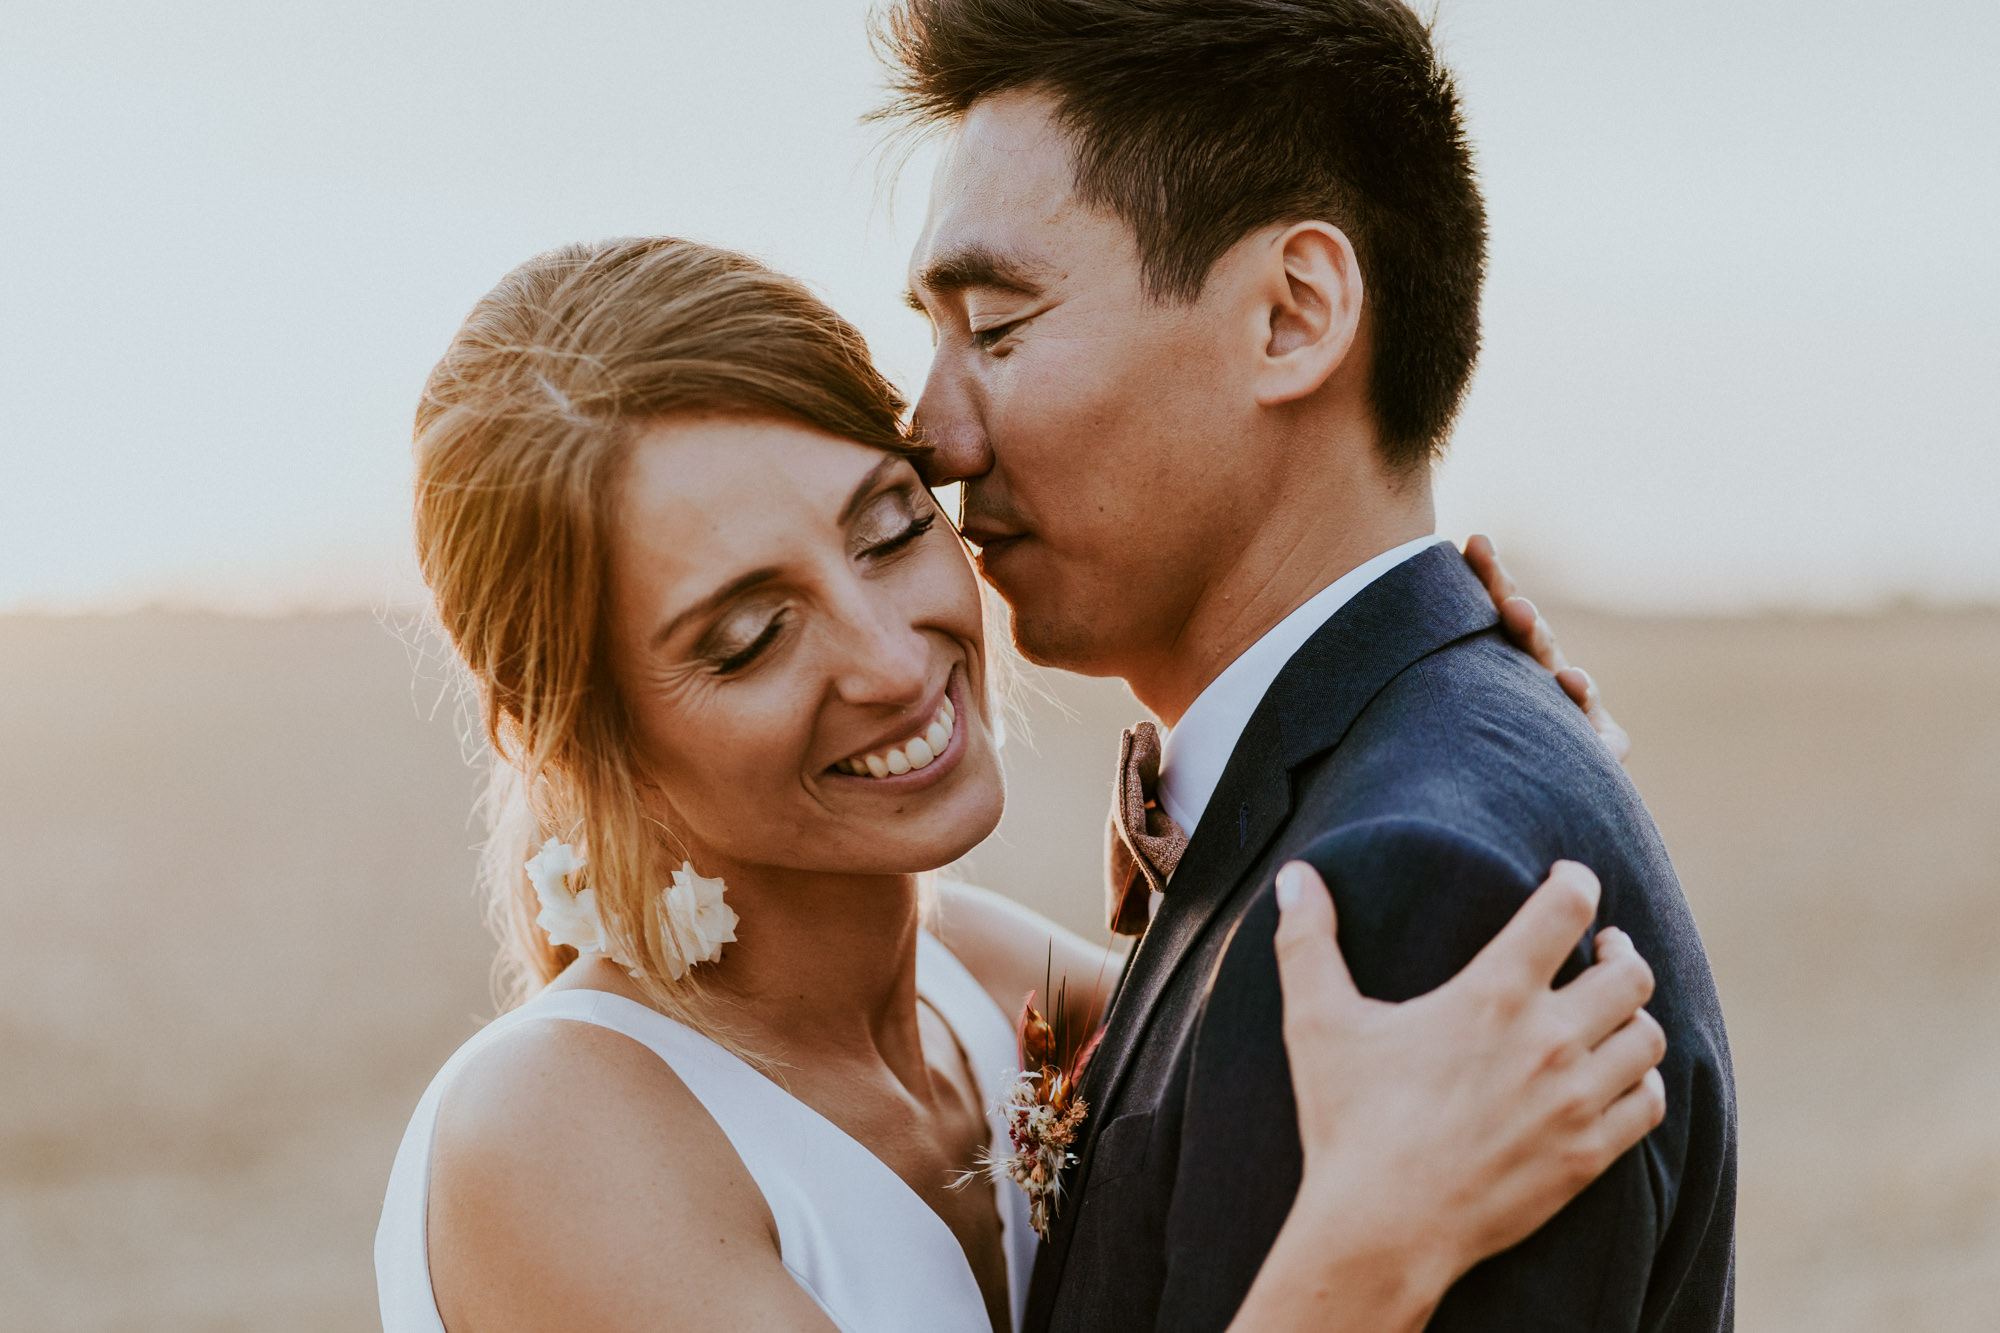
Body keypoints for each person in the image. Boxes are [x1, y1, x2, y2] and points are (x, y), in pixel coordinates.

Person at [375, 238, 1667, 1333]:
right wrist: (1370, 1251)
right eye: (751, 635)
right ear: (559, 730)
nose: (892, 657)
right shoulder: (550, 1137)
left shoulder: (998, 989)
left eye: (887, 527)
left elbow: (1321, 988)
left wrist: (1481, 740)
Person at [878, 1, 1737, 1329]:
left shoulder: (1400, 894)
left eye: (994, 329)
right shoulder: (1410, 774)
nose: (928, 433)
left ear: (1293, 314)